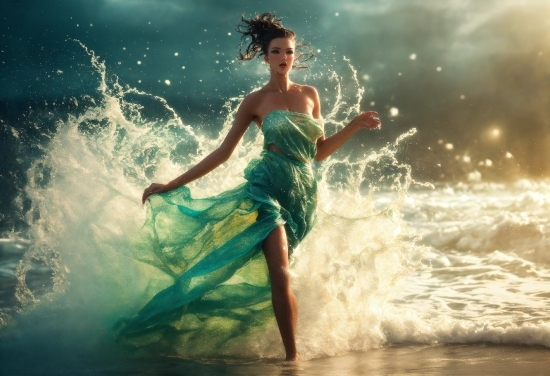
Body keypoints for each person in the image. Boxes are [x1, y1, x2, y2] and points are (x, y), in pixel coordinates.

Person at [121, 13, 381, 361]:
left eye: (289, 52)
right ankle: (294, 359)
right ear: (266, 57)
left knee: (282, 274)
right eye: (276, 52)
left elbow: (317, 154)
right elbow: (223, 153)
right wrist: (172, 183)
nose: (284, 58)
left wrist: (354, 125)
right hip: (267, 188)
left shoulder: (309, 95)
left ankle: (276, 348)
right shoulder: (255, 101)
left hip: (303, 193)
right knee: (281, 273)